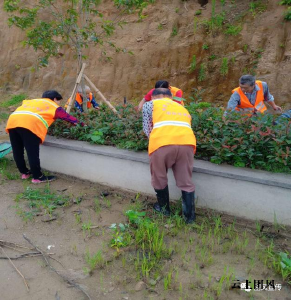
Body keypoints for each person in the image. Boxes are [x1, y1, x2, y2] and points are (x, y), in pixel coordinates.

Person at [142, 88, 197, 224]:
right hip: (187, 144)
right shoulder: (181, 107)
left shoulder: (151, 104)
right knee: (186, 180)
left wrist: (155, 140)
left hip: (162, 143)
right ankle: (189, 217)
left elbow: (147, 127)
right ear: (170, 97)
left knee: (159, 177)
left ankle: (164, 209)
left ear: (155, 97)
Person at [6, 90, 84, 183]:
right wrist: (84, 125)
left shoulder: (31, 101)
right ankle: (37, 177)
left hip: (12, 122)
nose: (59, 103)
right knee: (32, 152)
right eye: (59, 101)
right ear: (55, 98)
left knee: (17, 151)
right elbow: (69, 118)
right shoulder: (54, 106)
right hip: (30, 125)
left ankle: (25, 173)